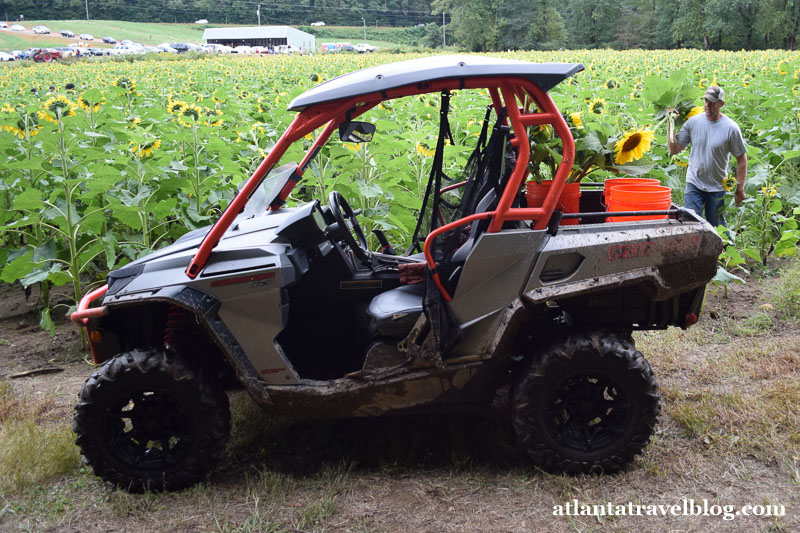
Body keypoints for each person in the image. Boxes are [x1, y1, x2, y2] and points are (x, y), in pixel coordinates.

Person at [667, 86, 747, 227]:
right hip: (694, 182)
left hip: (717, 186)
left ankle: (725, 246)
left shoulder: (731, 128)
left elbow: (741, 159)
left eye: (711, 101)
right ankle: (695, 249)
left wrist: (740, 188)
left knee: (715, 226)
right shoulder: (693, 123)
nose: (707, 104)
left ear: (721, 103)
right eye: (705, 100)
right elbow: (674, 149)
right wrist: (670, 122)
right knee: (691, 223)